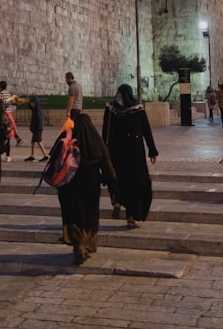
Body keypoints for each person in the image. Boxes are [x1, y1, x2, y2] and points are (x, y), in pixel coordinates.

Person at [55, 114, 116, 265]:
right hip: (90, 186)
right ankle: (85, 245)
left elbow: (55, 158)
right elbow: (107, 164)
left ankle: (77, 244)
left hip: (69, 186)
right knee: (88, 216)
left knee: (73, 215)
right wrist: (113, 186)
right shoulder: (95, 139)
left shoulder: (67, 136)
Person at [102, 84, 158, 229]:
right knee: (137, 184)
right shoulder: (137, 109)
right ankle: (131, 217)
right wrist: (152, 150)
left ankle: (117, 201)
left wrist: (103, 151)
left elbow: (105, 132)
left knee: (118, 179)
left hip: (116, 152)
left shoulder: (110, 109)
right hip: (134, 154)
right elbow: (146, 130)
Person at [0, 80, 21, 159]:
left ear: (0, 86)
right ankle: (8, 156)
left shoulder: (0, 94)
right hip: (9, 114)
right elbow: (10, 102)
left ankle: (0, 152)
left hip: (3, 115)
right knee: (10, 130)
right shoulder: (7, 93)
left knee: (3, 136)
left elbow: (0, 105)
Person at [23, 96, 48, 162]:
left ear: (35, 103)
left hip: (38, 128)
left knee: (39, 142)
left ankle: (45, 155)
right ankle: (32, 156)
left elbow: (38, 120)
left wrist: (34, 127)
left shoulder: (37, 110)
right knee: (33, 142)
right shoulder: (35, 109)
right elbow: (30, 107)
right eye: (31, 103)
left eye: (33, 103)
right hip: (37, 128)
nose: (31, 104)